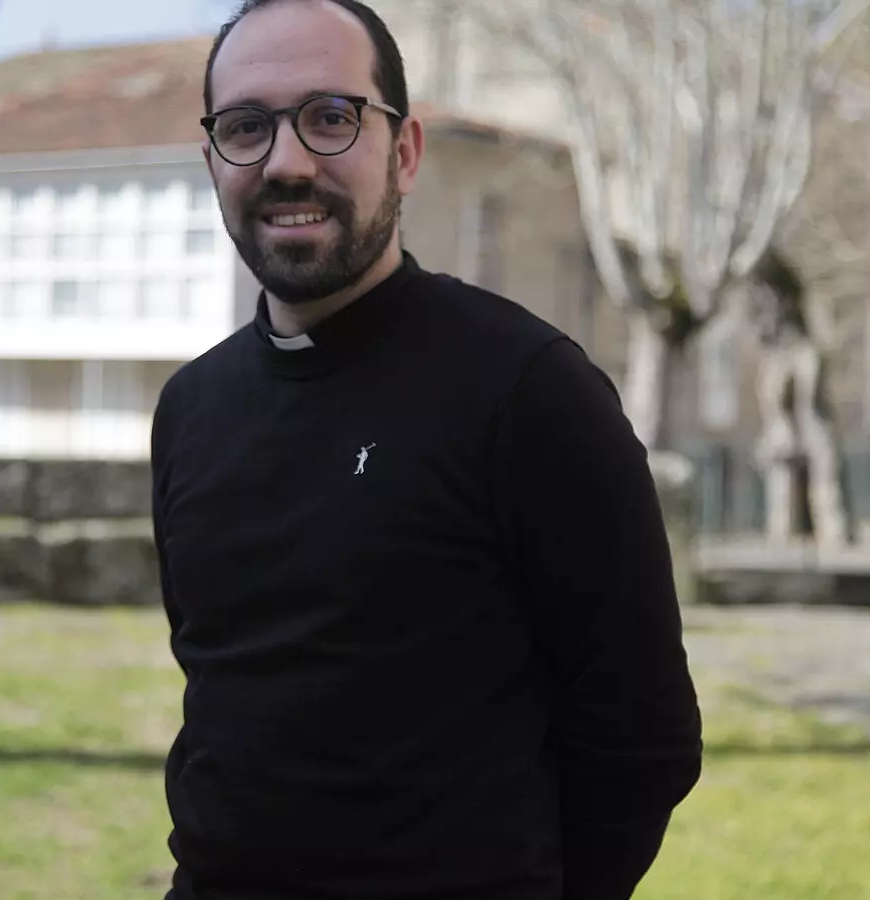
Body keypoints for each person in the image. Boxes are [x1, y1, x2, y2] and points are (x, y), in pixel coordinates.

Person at [148, 1, 704, 897]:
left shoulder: (529, 391)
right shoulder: (190, 409)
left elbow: (643, 740)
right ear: (214, 160)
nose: (287, 162)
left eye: (331, 117)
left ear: (404, 153)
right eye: (246, 127)